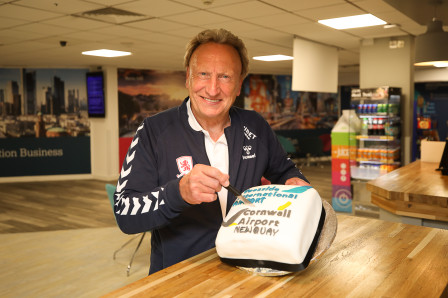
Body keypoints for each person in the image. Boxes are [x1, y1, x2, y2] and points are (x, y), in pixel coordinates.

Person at [114, 28, 310, 275]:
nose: (213, 89)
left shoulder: (255, 125)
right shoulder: (153, 131)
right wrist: (179, 192)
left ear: (239, 85)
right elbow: (124, 211)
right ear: (188, 78)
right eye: (203, 74)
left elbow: (285, 170)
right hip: (180, 279)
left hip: (250, 270)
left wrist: (295, 183)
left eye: (225, 77)